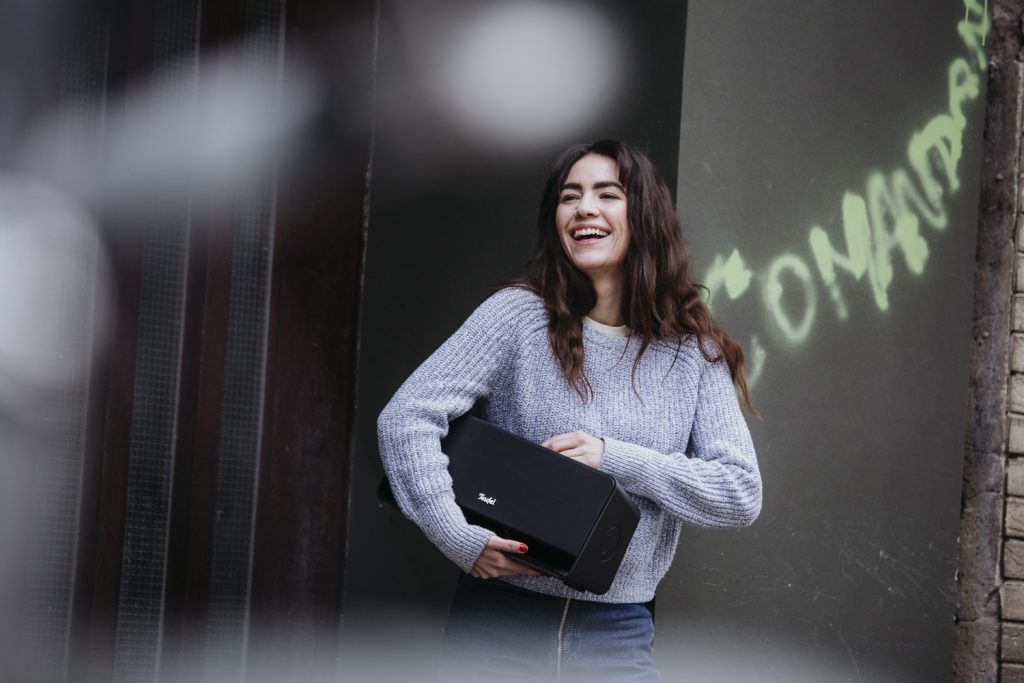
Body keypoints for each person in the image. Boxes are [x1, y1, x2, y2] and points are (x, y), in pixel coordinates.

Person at [377, 140, 761, 682]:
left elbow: (739, 493)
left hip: (618, 634)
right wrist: (456, 536)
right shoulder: (517, 317)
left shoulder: (696, 353)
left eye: (607, 194)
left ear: (645, 217)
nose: (584, 208)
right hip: (497, 623)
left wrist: (613, 458)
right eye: (569, 196)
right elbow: (406, 418)